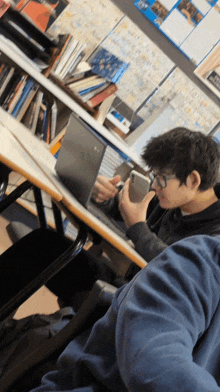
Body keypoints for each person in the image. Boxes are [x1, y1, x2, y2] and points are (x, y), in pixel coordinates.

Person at [0, 127, 220, 309]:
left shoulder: (215, 236)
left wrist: (138, 228)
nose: (154, 185)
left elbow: (180, 268)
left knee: (44, 254)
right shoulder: (175, 198)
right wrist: (108, 198)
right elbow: (130, 209)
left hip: (144, 308)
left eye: (161, 179)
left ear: (193, 180)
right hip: (126, 284)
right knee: (41, 244)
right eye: (154, 176)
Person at [29, 234, 220, 391]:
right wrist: (138, 228)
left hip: (137, 294)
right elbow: (155, 365)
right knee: (44, 245)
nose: (160, 188)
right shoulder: (198, 261)